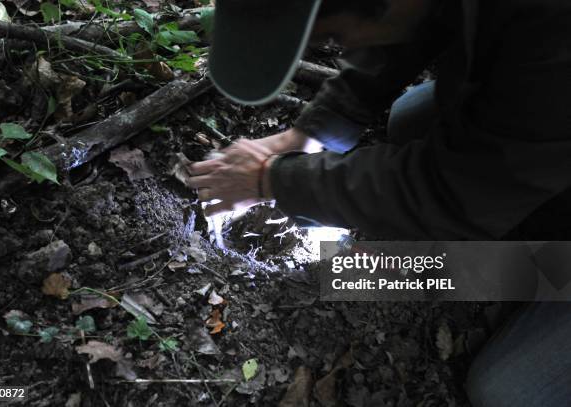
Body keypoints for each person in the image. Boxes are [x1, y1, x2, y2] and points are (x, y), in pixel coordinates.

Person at [187, 0, 571, 405]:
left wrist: (276, 179)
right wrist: (318, 127)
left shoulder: (556, 36)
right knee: (408, 118)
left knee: (507, 392)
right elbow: (412, 25)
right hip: (543, 104)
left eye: (335, 37)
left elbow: (450, 192)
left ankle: (550, 268)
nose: (340, 48)